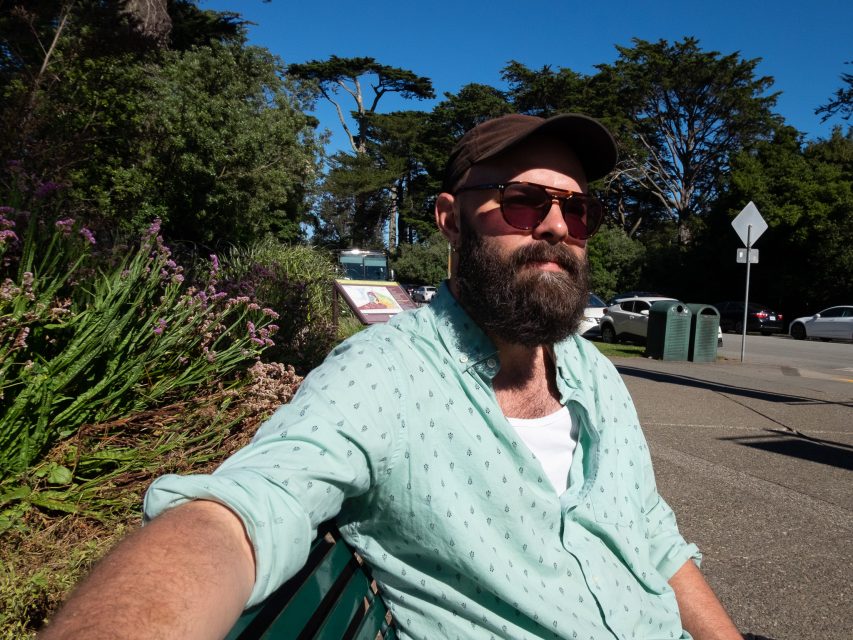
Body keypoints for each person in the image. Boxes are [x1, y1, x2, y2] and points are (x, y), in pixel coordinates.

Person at [42, 114, 743, 640]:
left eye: (578, 209)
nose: (557, 226)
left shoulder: (595, 375)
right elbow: (247, 508)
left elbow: (651, 537)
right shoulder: (387, 376)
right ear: (450, 219)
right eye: (524, 201)